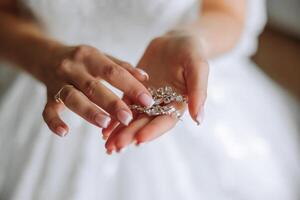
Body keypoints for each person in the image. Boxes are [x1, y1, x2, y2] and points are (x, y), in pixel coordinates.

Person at [0, 0, 299, 199]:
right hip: (44, 89)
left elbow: (228, 12)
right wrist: (44, 57)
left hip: (183, 78)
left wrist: (193, 40)